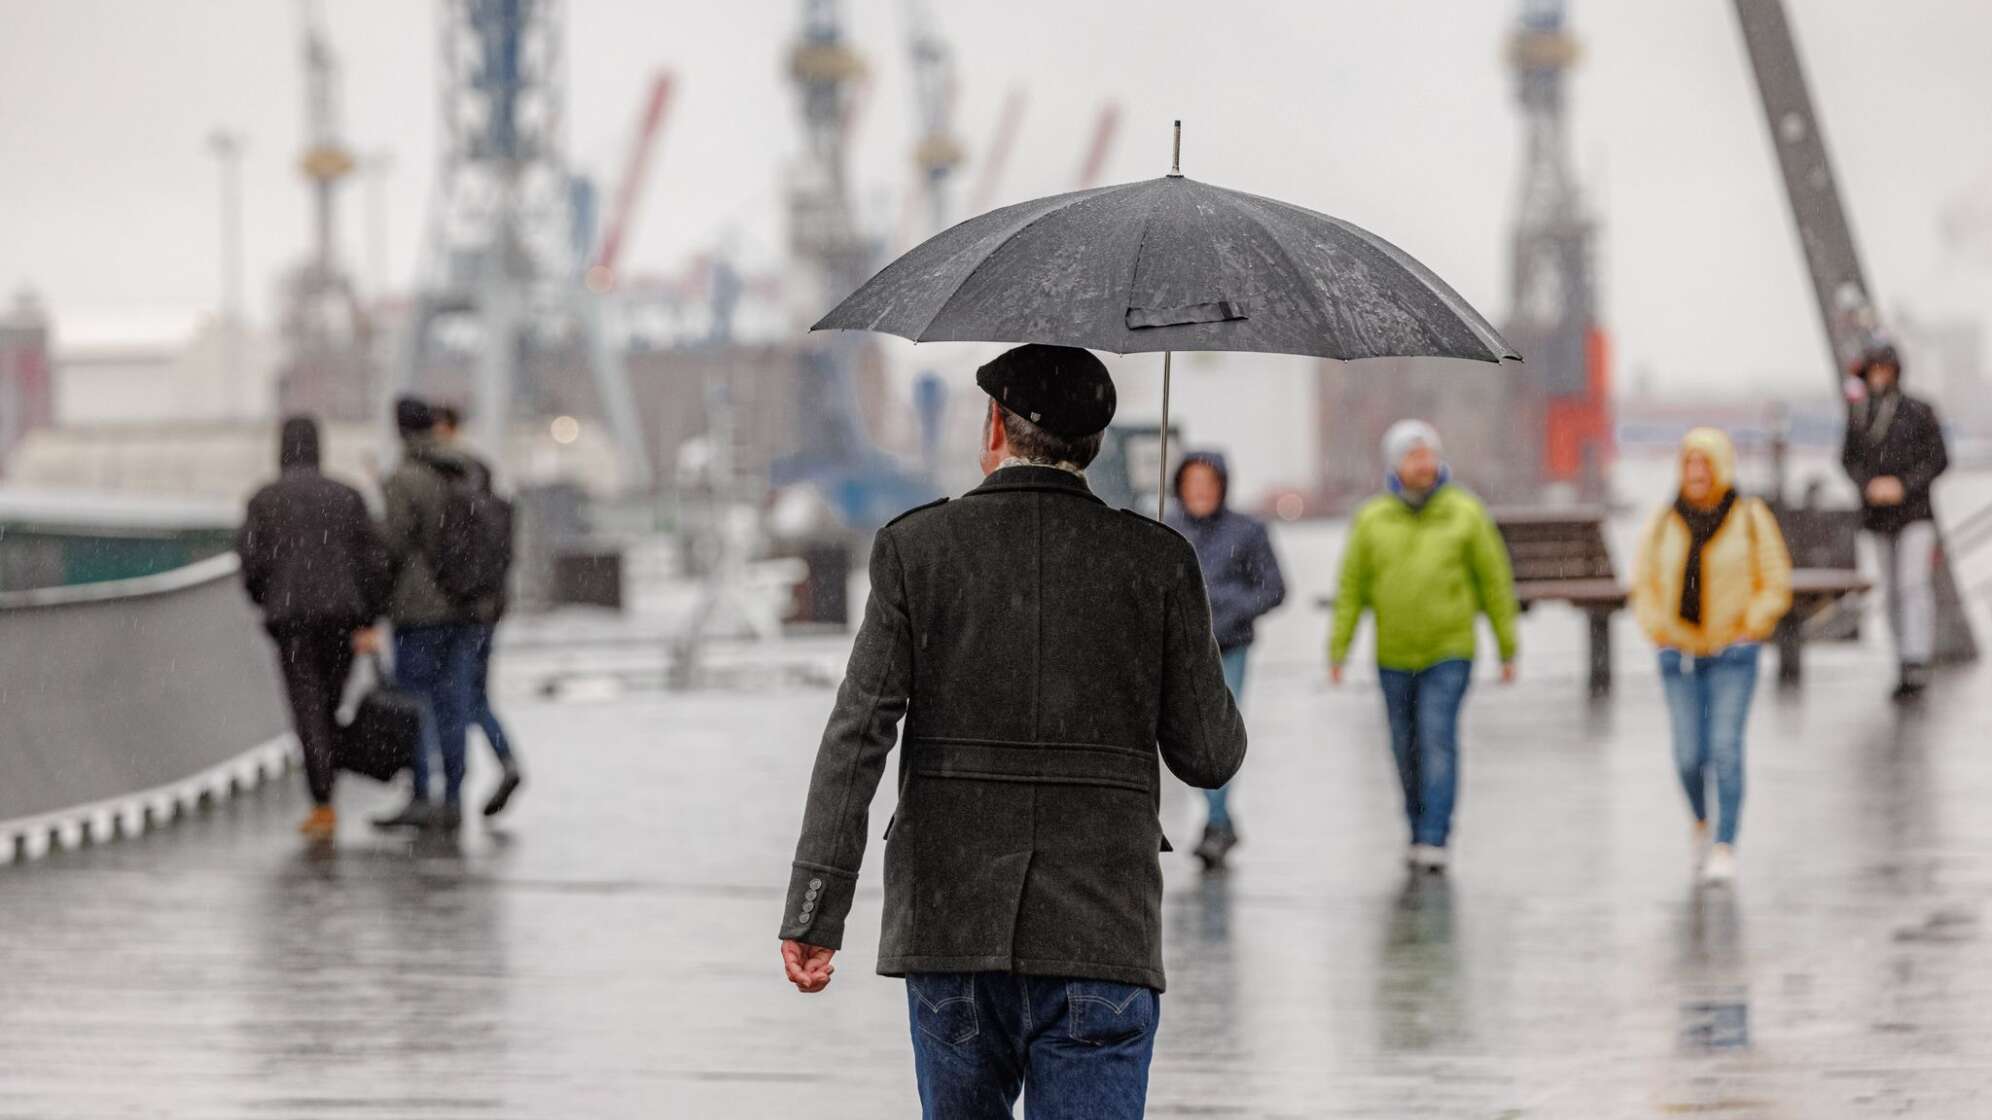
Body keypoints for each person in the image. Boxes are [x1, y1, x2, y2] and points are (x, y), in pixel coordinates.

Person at [776, 344, 1246, 1119]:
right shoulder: (1156, 559)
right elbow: (1211, 755)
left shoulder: (916, 550)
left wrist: (816, 910)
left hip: (951, 925)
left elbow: (857, 735)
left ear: (996, 423)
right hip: (1101, 931)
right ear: (1093, 443)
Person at [1329, 420, 1519, 874]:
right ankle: (1414, 827)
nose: (1423, 464)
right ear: (1394, 464)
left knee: (1437, 738)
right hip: (1393, 655)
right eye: (1413, 456)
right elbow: (1352, 588)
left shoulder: (1465, 512)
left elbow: (1494, 582)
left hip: (1449, 651)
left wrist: (1507, 646)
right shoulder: (1372, 518)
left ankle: (1435, 835)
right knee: (1403, 745)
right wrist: (1338, 650)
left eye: (1428, 454)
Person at [1632, 427, 1792, 885]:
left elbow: (1776, 579)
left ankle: (1725, 842)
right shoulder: (1665, 520)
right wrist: (1657, 629)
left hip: (1732, 654)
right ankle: (1700, 822)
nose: (1696, 473)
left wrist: (1753, 624)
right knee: (1687, 755)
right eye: (1688, 464)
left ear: (1721, 467)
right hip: (1678, 654)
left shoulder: (1749, 517)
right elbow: (1644, 582)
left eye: (1704, 464)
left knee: (1724, 747)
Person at [236, 416, 391, 842]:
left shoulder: (264, 500)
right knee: (331, 700)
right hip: (342, 617)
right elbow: (373, 560)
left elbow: (251, 562)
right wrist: (369, 617)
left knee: (307, 706)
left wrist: (265, 598)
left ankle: (322, 801)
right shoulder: (347, 496)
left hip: (291, 620)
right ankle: (329, 777)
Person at [1164, 449, 1286, 871]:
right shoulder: (1167, 528)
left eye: (1208, 484)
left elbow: (1274, 587)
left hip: (1229, 647)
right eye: (1191, 484)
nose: (1199, 492)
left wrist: (1232, 609)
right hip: (1179, 650)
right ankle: (1222, 821)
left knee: (1215, 734)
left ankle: (1215, 824)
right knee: (1184, 736)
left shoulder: (1247, 531)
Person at [368, 397, 485, 831]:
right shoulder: (465, 469)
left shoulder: (406, 478)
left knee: (416, 704)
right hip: (465, 604)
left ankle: (421, 792)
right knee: (454, 703)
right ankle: (454, 797)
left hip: (418, 611)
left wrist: (373, 601)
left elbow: (391, 546)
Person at [1840, 342, 1950, 699]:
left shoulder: (1918, 411)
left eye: (1884, 369)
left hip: (1915, 513)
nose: (1879, 376)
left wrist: (1903, 486)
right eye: (1873, 369)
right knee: (1891, 590)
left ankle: (1917, 659)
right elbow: (1847, 459)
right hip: (1878, 517)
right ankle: (1903, 658)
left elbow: (1939, 459)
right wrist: (1868, 486)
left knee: (1912, 585)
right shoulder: (1859, 414)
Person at [431, 403, 523, 816]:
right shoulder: (495, 503)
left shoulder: (454, 495)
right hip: (492, 608)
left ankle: (458, 788)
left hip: (465, 611)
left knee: (460, 698)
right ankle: (505, 761)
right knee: (478, 695)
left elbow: (450, 556)